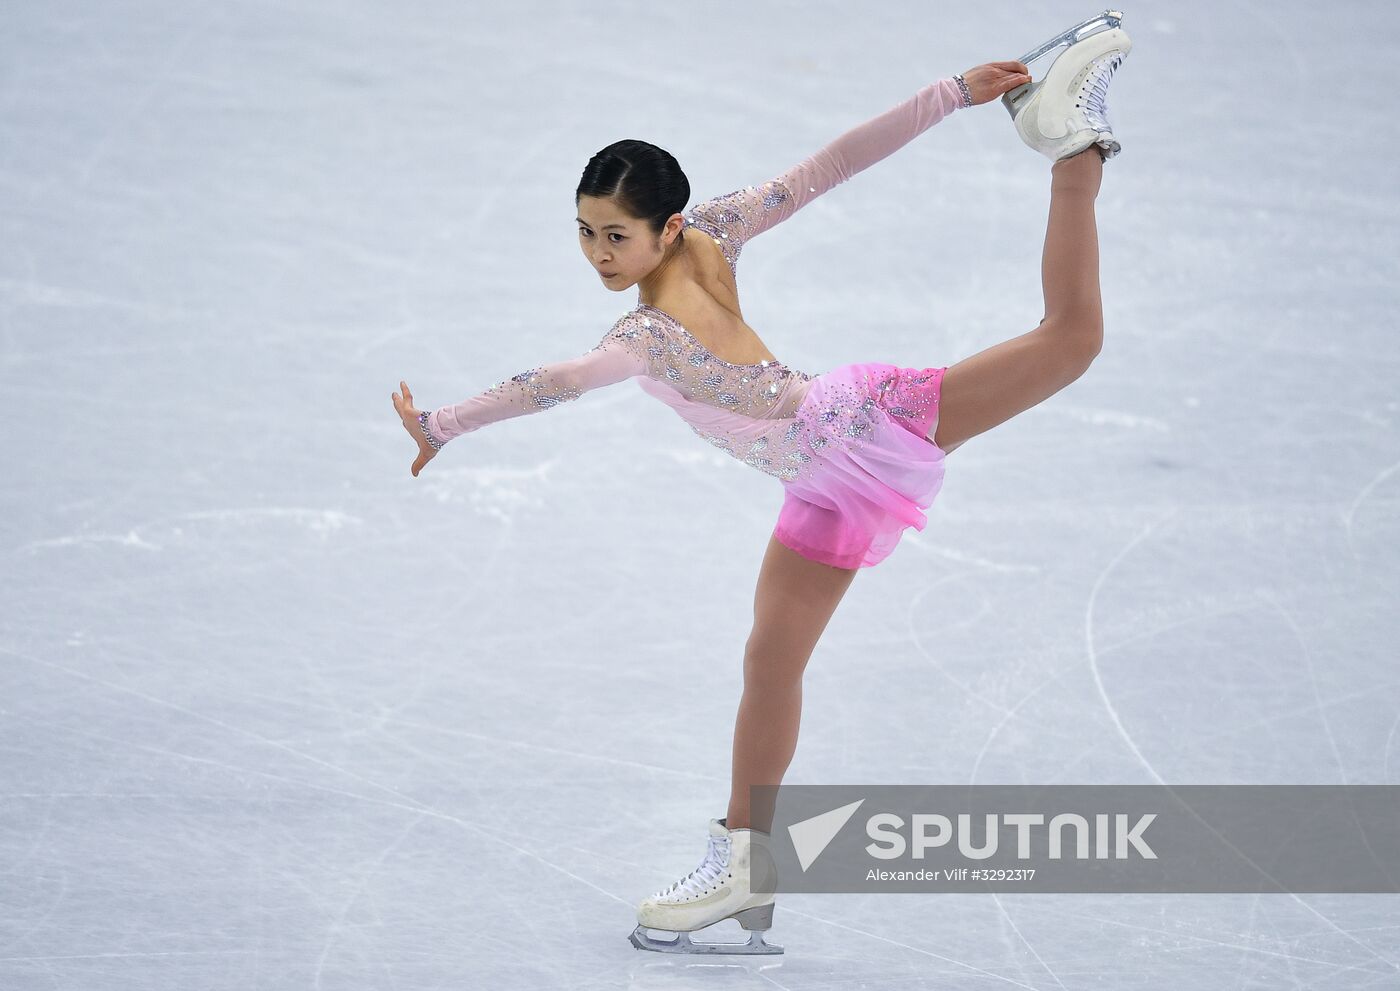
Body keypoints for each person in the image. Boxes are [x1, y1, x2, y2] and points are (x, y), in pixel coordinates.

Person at [391, 22, 1129, 954]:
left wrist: (445, 423)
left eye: (616, 235)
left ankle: (1074, 141)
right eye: (584, 231)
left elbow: (558, 379)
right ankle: (745, 862)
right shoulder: (705, 240)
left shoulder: (648, 332)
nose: (598, 253)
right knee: (770, 661)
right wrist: (949, 91)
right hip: (816, 485)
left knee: (1071, 339)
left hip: (863, 427)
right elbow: (829, 166)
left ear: (666, 226)